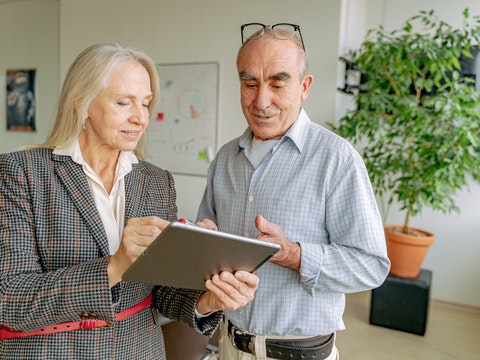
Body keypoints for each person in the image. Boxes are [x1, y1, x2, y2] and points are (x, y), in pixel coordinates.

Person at [0, 42, 259, 360]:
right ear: (82, 102)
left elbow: (162, 291)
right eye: (124, 103)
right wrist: (116, 265)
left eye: (146, 104)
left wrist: (210, 299)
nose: (141, 118)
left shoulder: (156, 182)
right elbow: (9, 299)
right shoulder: (21, 173)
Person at [196, 23, 391, 360]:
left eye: (278, 82)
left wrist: (294, 255)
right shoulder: (225, 158)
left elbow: (371, 265)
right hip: (227, 346)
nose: (261, 100)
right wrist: (201, 241)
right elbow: (205, 238)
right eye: (250, 83)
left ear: (304, 86)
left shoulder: (337, 159)